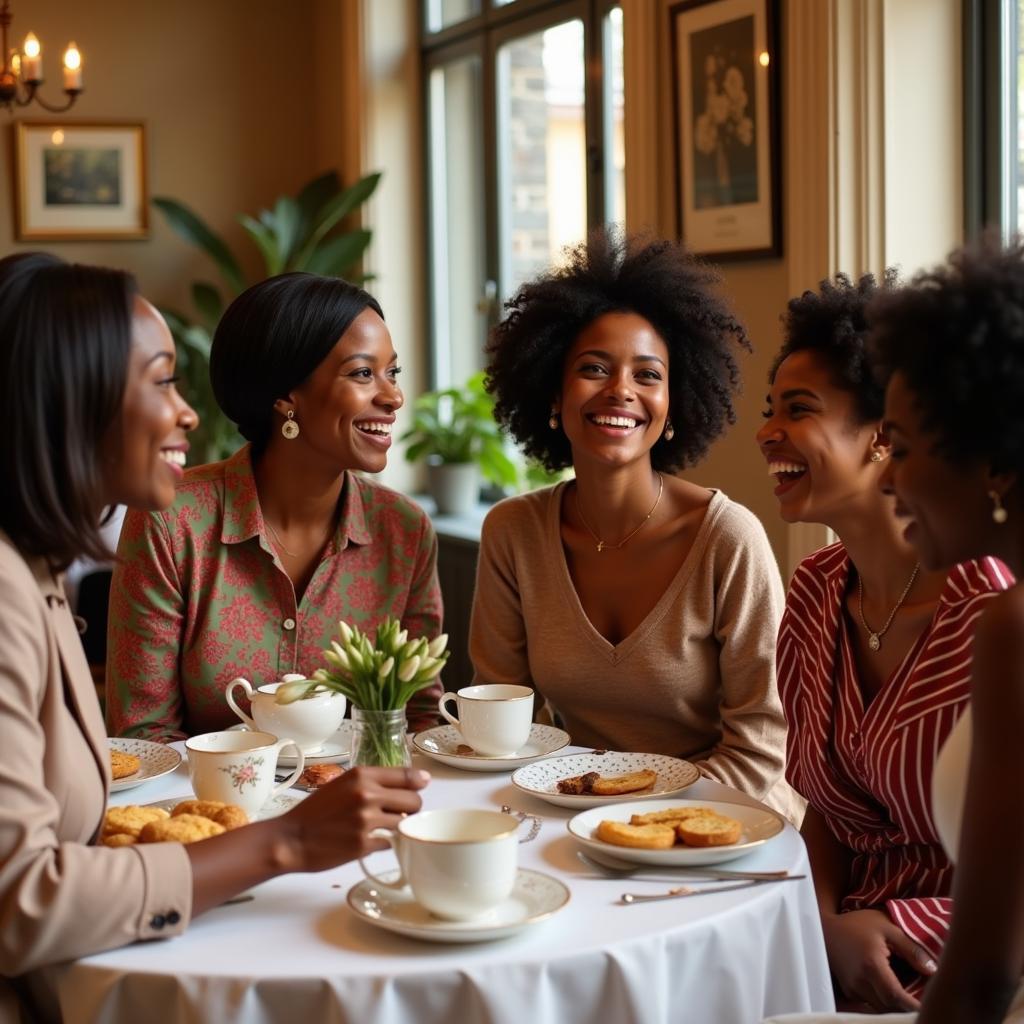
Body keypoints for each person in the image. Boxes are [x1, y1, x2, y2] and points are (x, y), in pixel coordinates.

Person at [0, 253, 428, 1021]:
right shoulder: (21, 584)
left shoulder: (33, 574)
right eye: (163, 381)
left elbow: (418, 712)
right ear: (69, 401)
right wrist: (285, 842)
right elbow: (22, 893)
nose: (188, 412)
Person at [471, 231, 795, 815]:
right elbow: (507, 727)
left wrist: (624, 811)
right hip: (575, 817)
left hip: (722, 819)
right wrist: (577, 811)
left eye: (648, 375)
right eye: (594, 368)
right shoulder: (512, 533)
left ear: (673, 405)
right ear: (554, 392)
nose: (621, 390)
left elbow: (760, 749)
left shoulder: (728, 537)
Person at [756, 271, 1011, 1013]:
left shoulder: (992, 610)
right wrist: (824, 925)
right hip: (835, 942)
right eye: (767, 411)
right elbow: (830, 814)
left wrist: (885, 933)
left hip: (953, 953)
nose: (766, 431)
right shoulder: (810, 593)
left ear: (881, 437)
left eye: (796, 411)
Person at [106, 272, 444, 742]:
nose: (393, 397)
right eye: (363, 373)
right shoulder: (171, 521)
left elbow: (420, 718)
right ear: (286, 397)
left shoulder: (403, 529)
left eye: (393, 372)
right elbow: (144, 735)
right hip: (214, 808)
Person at [870, 237, 1024, 1024]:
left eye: (898, 445)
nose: (887, 476)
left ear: (992, 459)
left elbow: (980, 980)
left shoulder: (1013, 627)